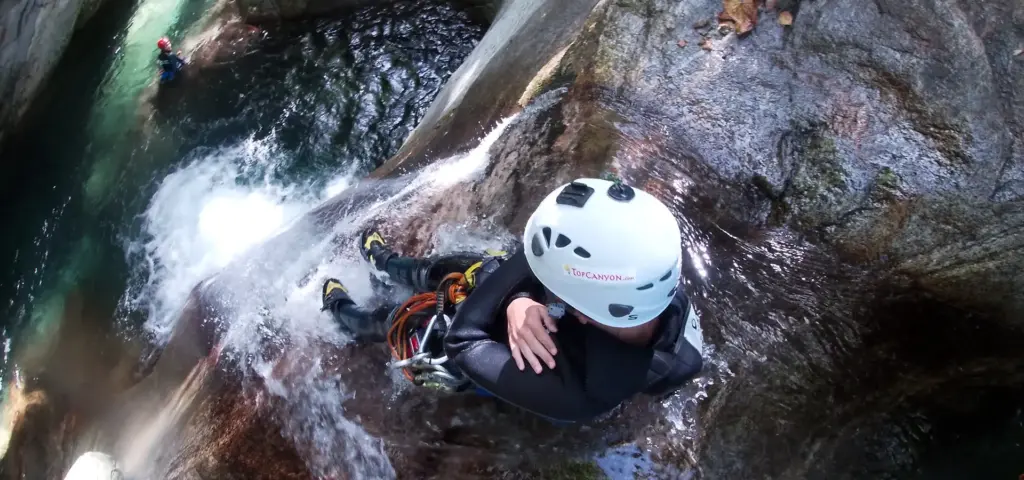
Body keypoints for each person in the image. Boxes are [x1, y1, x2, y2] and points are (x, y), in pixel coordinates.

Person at [321, 178, 704, 423]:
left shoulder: (583, 394)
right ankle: (389, 264)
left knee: (410, 325)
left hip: (506, 354)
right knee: (461, 268)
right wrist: (519, 299)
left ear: (584, 311)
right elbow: (579, 303)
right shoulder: (652, 292)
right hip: (567, 324)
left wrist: (512, 299)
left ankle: (346, 316)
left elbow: (464, 341)